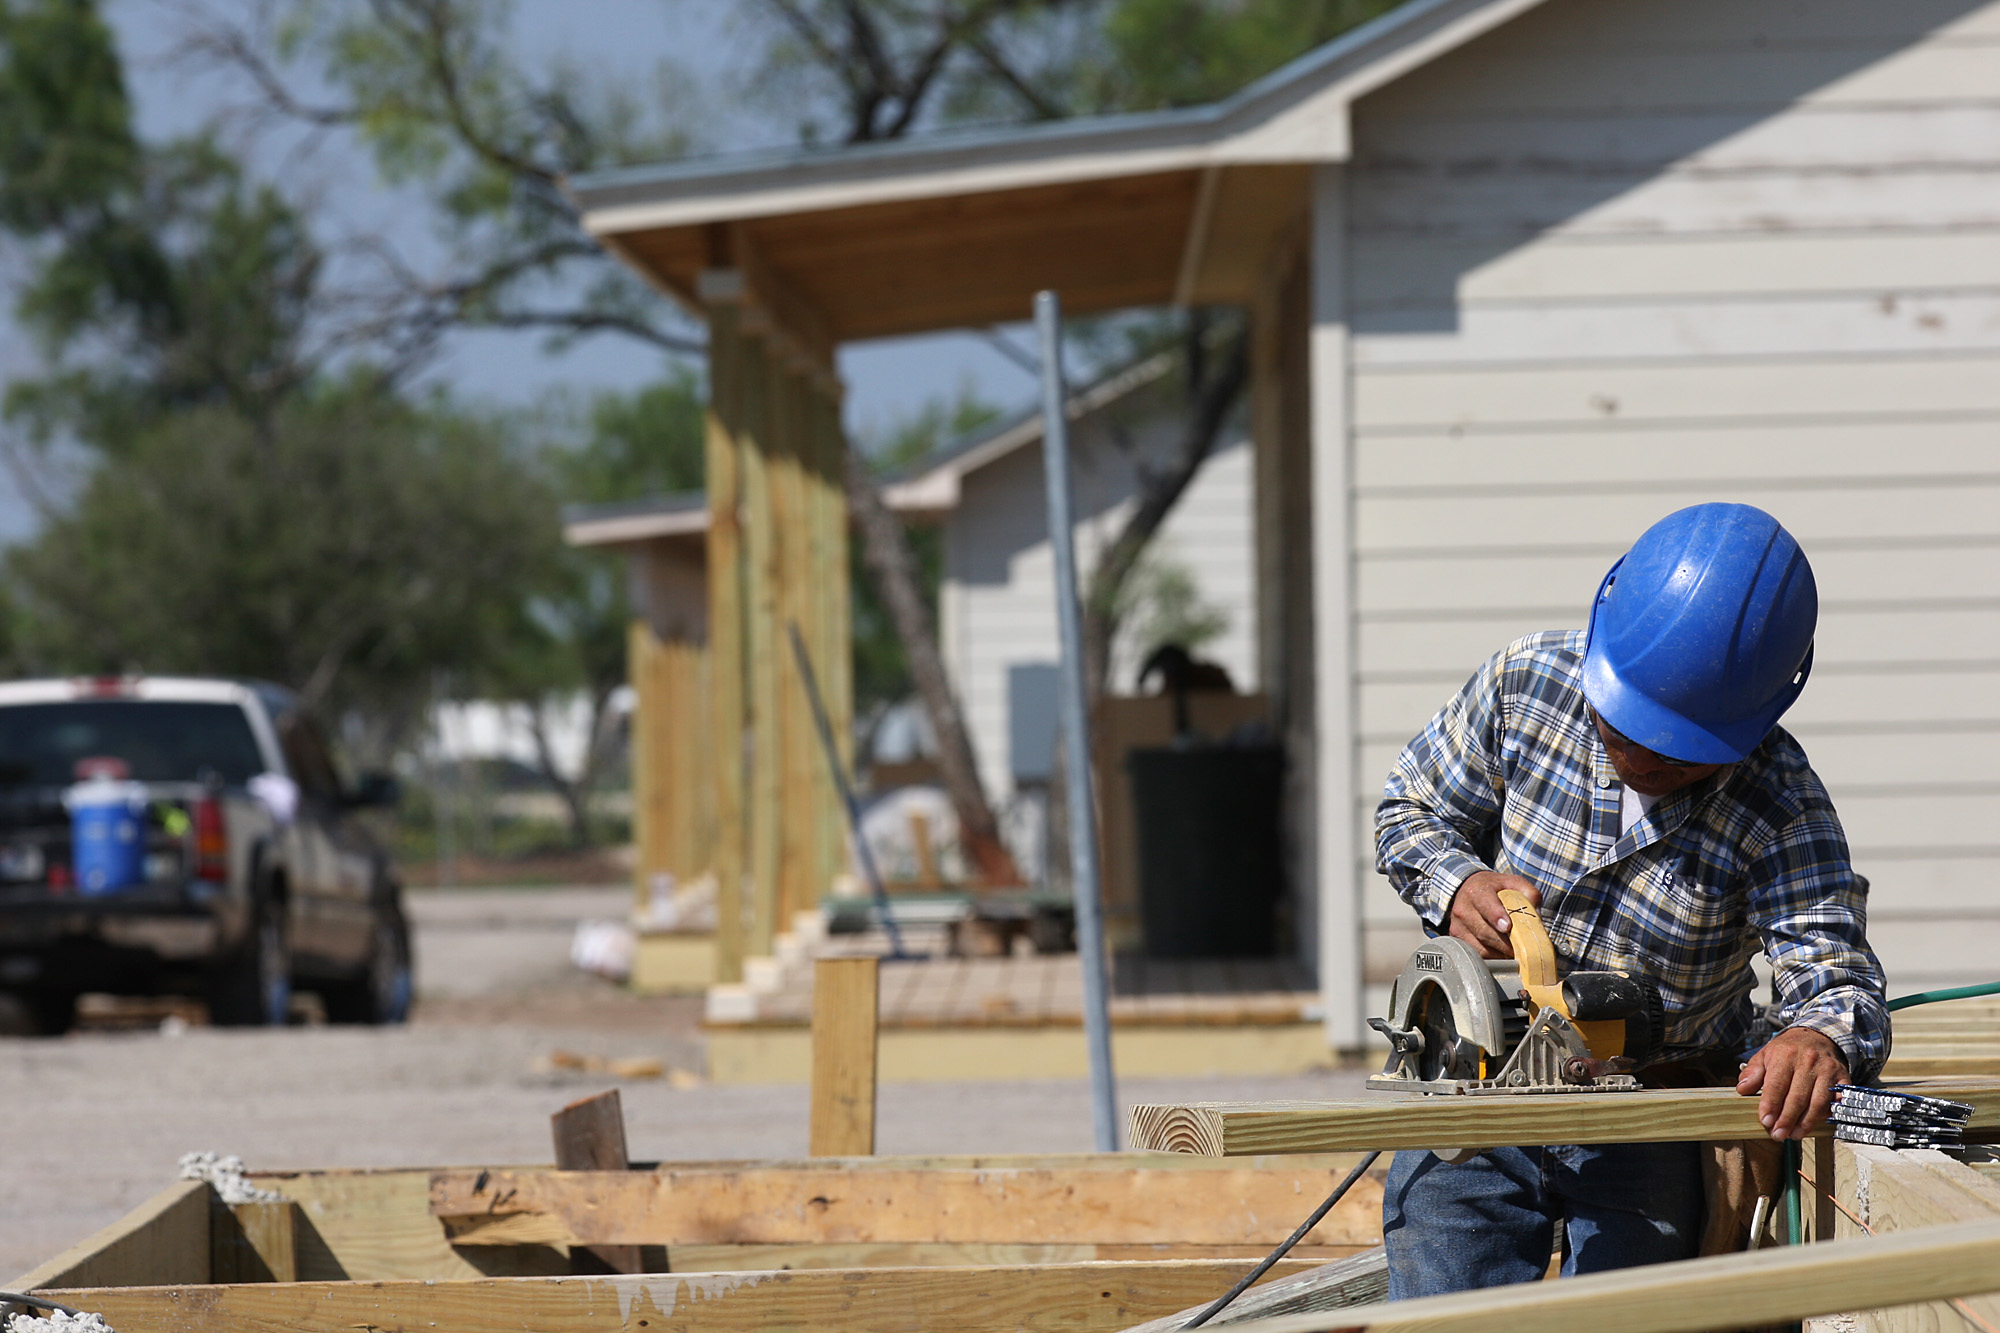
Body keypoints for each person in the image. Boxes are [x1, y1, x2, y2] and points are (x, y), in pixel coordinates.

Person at [1373, 502, 1887, 1296]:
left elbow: (1836, 980)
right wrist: (1456, 883)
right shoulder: (1528, 683)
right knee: (1445, 1304)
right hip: (1473, 1076)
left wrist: (1817, 1037)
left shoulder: (1782, 808)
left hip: (1649, 1106)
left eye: (1677, 752)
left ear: (1752, 725)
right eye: (1621, 726)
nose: (1638, 753)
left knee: (1628, 1313)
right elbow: (1409, 810)